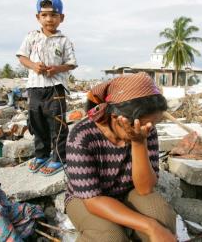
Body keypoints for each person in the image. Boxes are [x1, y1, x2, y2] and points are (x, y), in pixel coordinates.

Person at [65, 72, 177, 242]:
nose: (149, 129)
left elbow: (145, 189)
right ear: (116, 117)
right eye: (145, 124)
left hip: (128, 192)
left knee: (163, 219)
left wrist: (139, 143)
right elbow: (93, 200)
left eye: (154, 124)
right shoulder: (82, 137)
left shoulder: (145, 131)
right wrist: (149, 226)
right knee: (110, 237)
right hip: (88, 199)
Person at [16, 0, 77, 175]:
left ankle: (59, 158)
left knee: (57, 124)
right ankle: (41, 155)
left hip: (55, 89)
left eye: (53, 15)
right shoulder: (31, 37)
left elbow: (71, 63)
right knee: (37, 122)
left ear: (61, 18)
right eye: (44, 15)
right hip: (35, 88)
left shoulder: (64, 40)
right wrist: (34, 65)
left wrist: (56, 69)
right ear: (38, 17)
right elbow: (22, 57)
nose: (49, 19)